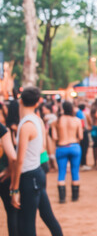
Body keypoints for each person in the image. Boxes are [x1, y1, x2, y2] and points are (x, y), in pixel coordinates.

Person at [10, 86, 63, 236]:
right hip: (37, 172)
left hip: (29, 176)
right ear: (38, 102)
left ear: (21, 100)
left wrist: (14, 189)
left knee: (27, 224)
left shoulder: (26, 125)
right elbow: (42, 147)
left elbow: (19, 160)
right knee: (47, 216)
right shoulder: (37, 120)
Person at [51, 101, 83, 203]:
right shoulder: (77, 120)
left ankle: (62, 198)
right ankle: (75, 197)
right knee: (75, 171)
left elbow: (54, 137)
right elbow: (81, 136)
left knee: (61, 172)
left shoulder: (56, 121)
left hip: (61, 147)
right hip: (75, 147)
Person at [0, 122, 18, 235]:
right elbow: (13, 157)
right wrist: (10, 170)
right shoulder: (2, 128)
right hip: (5, 178)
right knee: (12, 211)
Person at [76, 103, 91, 170]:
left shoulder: (79, 112)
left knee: (84, 148)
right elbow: (82, 123)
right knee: (84, 148)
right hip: (83, 132)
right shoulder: (80, 113)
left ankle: (83, 163)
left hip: (82, 132)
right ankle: (83, 164)